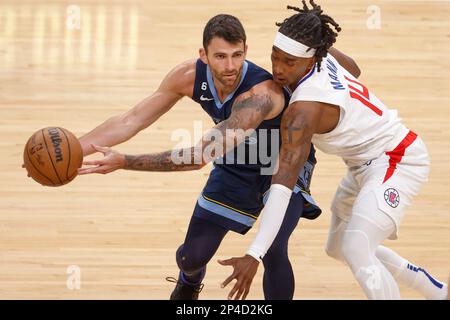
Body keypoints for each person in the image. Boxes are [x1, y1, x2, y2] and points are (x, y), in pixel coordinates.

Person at [74, 14, 332, 300]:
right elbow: (130, 120)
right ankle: (189, 281)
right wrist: (76, 150)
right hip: (236, 163)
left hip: (284, 165)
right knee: (191, 258)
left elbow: (199, 157)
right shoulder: (187, 77)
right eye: (220, 56)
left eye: (237, 55)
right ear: (203, 55)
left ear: (246, 50)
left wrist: (125, 161)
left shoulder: (261, 94)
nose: (231, 66)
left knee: (272, 248)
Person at [220, 1, 448, 300]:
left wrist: (255, 253)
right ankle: (437, 291)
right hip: (362, 165)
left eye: (289, 62)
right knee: (340, 247)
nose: (278, 69)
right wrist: (316, 39)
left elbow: (283, 182)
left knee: (357, 247)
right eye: (275, 57)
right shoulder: (323, 58)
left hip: (397, 159)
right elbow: (354, 68)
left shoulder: (304, 110)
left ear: (311, 59)